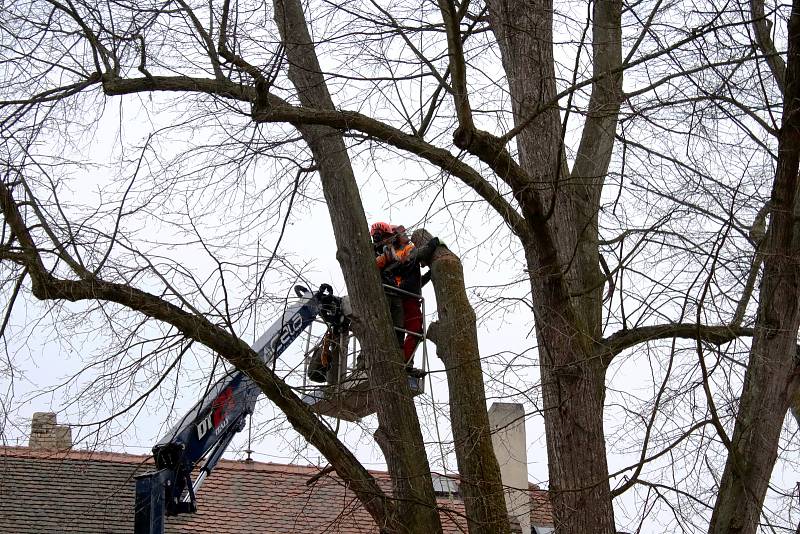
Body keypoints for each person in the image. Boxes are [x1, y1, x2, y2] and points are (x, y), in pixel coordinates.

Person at [369, 222, 438, 377]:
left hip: (408, 295)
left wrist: (428, 276)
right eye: (402, 234)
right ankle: (404, 362)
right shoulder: (395, 253)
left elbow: (412, 278)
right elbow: (411, 258)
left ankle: (405, 362)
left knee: (410, 331)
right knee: (412, 330)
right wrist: (432, 245)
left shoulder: (393, 252)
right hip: (404, 296)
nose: (406, 237)